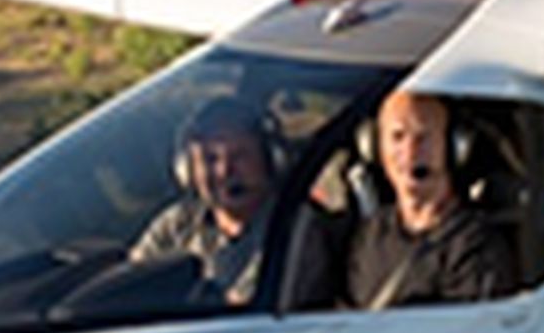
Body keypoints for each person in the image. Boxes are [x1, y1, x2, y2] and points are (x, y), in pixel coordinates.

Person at [130, 95, 326, 307]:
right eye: (210, 159)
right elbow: (128, 284)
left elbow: (241, 311)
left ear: (270, 160)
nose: (224, 172)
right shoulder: (176, 224)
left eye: (240, 156)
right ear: (188, 171)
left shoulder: (293, 227)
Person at [343, 86, 517, 310]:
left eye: (423, 138)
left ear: (453, 147)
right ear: (377, 148)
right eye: (397, 137)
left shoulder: (475, 245)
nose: (410, 153)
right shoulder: (371, 234)